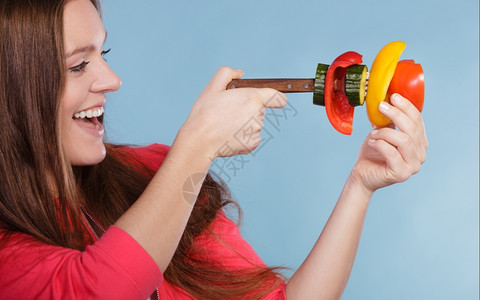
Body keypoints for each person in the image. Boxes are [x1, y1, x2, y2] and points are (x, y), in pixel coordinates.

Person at [0, 0, 428, 299]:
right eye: (78, 65)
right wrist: (198, 143)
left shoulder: (154, 172)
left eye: (103, 53)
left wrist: (361, 185)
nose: (112, 79)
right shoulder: (9, 256)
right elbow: (103, 289)